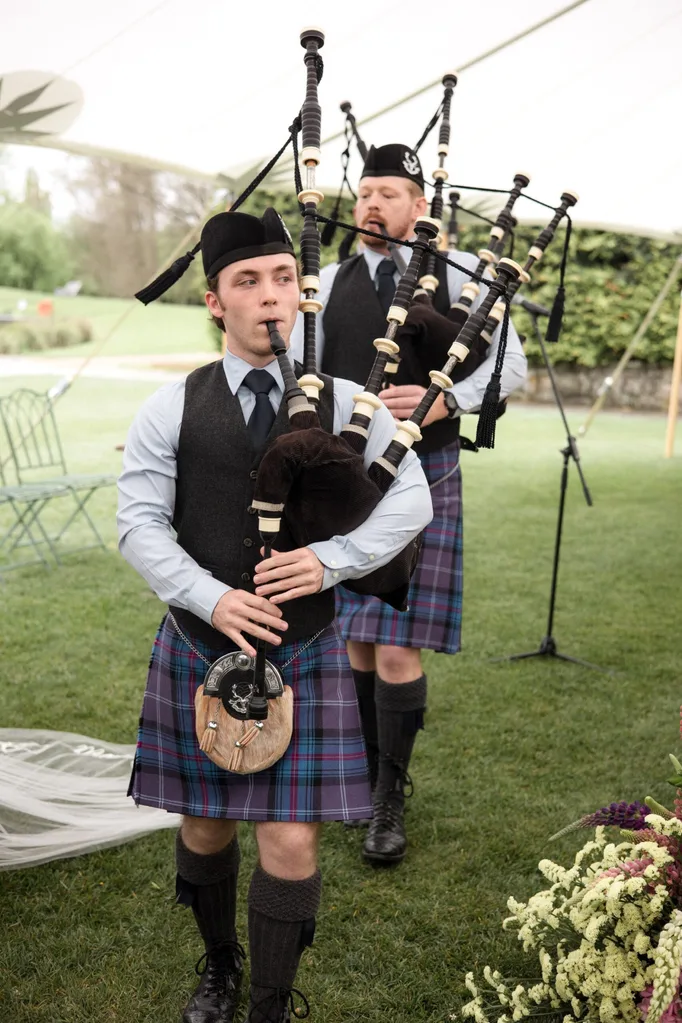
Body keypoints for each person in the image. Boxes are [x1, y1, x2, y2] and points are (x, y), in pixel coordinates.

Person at [117, 206, 432, 1023]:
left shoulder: (349, 403)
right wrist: (212, 596)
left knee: (291, 837)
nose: (270, 295)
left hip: (308, 642)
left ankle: (270, 1003)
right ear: (214, 300)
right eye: (248, 281)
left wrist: (331, 560)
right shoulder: (172, 405)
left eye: (284, 278)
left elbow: (412, 498)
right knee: (206, 826)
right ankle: (220, 963)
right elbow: (138, 525)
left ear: (300, 292)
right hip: (200, 642)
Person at [291, 143, 528, 867]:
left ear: (420, 206)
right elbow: (299, 366)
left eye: (388, 194)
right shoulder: (327, 281)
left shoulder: (460, 276)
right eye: (365, 193)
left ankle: (389, 796)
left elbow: (510, 365)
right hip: (343, 479)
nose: (372, 205)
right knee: (354, 643)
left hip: (427, 473)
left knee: (395, 644)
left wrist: (444, 398)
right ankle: (364, 778)